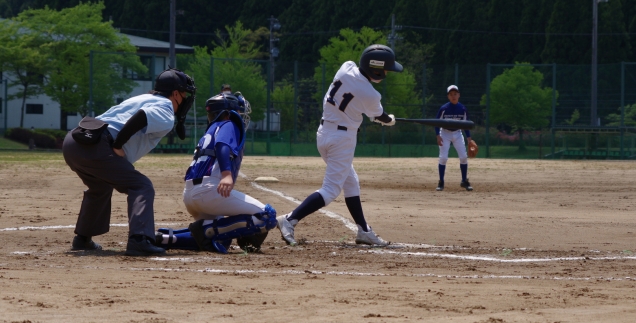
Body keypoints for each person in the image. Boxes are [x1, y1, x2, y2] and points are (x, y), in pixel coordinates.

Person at [276, 44, 403, 247]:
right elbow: (379, 115)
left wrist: (380, 117)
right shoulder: (371, 95)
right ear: (376, 70)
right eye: (386, 69)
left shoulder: (346, 67)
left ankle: (364, 230)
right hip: (341, 140)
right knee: (330, 190)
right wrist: (389, 120)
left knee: (351, 181)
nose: (387, 73)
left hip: (324, 133)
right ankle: (290, 219)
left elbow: (359, 104)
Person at [63, 68, 196, 256]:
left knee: (101, 186)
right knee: (141, 185)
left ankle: (83, 239)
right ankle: (140, 240)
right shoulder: (166, 108)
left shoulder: (142, 98)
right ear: (175, 94)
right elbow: (142, 116)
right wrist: (118, 144)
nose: (185, 100)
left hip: (73, 142)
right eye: (184, 94)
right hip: (97, 145)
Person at [155, 92, 276, 253]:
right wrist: (226, 174)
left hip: (190, 194)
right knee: (267, 215)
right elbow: (222, 145)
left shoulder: (211, 129)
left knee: (221, 239)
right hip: (208, 191)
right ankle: (204, 231)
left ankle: (167, 238)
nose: (240, 115)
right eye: (238, 111)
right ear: (227, 113)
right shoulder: (228, 124)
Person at [435, 84, 473, 192]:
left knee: (463, 157)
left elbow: (466, 125)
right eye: (451, 94)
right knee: (443, 158)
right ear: (448, 96)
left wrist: (469, 138)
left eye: (455, 94)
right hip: (445, 133)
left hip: (457, 133)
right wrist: (438, 135)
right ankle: (441, 182)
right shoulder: (444, 108)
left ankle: (464, 181)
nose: (453, 96)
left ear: (459, 95)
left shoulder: (463, 109)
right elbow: (436, 122)